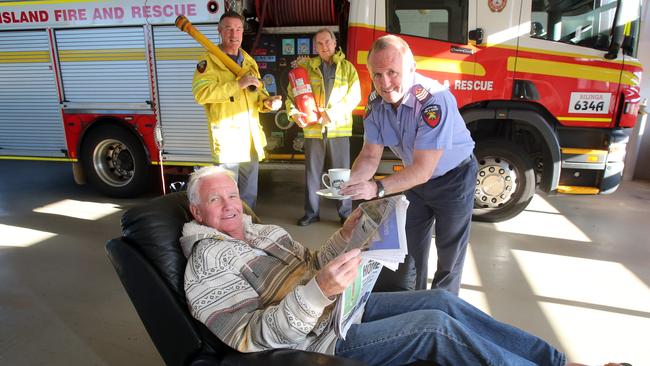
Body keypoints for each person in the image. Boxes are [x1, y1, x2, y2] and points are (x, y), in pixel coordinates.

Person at [180, 166, 626, 366]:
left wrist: (350, 233)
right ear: (197, 213)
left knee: (439, 301)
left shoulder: (263, 233)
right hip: (320, 339)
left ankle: (558, 363)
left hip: (338, 308)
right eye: (214, 200)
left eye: (233, 195)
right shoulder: (206, 265)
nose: (230, 205)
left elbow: (314, 262)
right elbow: (248, 338)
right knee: (433, 325)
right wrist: (318, 291)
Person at [339, 35, 477, 294]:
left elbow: (423, 169)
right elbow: (370, 155)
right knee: (409, 250)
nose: (385, 83)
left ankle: (440, 312)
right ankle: (413, 305)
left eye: (393, 72)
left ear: (411, 69)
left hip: (454, 179)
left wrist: (376, 188)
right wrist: (353, 184)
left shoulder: (434, 100)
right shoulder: (375, 104)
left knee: (449, 255)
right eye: (377, 75)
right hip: (413, 180)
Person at [192, 11, 282, 210]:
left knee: (249, 195)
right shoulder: (209, 62)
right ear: (220, 31)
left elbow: (258, 95)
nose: (234, 34)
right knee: (226, 195)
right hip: (228, 142)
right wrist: (237, 84)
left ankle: (247, 227)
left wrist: (267, 102)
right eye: (229, 29)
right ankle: (229, 234)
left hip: (250, 140)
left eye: (239, 29)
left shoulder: (249, 61)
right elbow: (201, 93)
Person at [285, 28, 361, 226]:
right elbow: (292, 95)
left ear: (335, 43)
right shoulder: (306, 69)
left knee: (342, 175)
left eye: (327, 42)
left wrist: (331, 114)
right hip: (313, 130)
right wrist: (294, 113)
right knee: (312, 174)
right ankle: (311, 213)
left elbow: (354, 96)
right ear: (315, 47)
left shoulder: (347, 68)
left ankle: (345, 213)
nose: (324, 46)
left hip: (338, 129)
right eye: (319, 43)